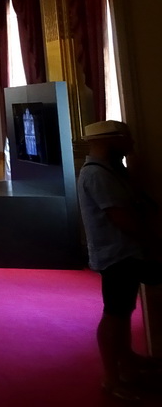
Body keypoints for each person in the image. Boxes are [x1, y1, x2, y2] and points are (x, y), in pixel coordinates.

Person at [78, 120, 162, 401]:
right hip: (117, 254)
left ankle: (126, 362)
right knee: (114, 314)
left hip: (126, 252)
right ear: (110, 141)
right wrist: (153, 240)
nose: (132, 146)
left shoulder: (112, 171)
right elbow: (120, 217)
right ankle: (111, 378)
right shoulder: (99, 175)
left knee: (121, 311)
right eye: (127, 140)